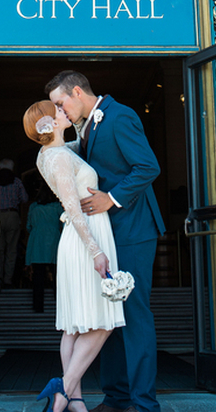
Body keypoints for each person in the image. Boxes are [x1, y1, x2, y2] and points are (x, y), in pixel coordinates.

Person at [46, 71, 164, 412]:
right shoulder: (86, 126)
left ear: (78, 92)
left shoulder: (120, 116)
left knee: (134, 315)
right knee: (108, 315)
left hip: (133, 230)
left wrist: (111, 199)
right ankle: (117, 397)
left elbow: (147, 167)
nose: (61, 111)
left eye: (61, 103)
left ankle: (144, 404)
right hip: (107, 234)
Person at [23, 99, 125, 412]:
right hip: (85, 236)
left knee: (73, 327)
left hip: (80, 235)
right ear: (48, 125)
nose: (64, 111)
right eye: (58, 111)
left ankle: (74, 401)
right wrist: (96, 250)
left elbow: (76, 140)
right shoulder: (57, 157)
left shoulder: (54, 152)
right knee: (104, 319)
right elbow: (71, 206)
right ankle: (64, 390)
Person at [0, 158, 28, 293]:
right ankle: (8, 280)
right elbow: (24, 198)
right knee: (11, 250)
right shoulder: (16, 181)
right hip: (12, 215)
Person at [26, 182, 63, 312]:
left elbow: (28, 226)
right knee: (57, 275)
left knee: (38, 276)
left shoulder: (33, 207)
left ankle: (38, 307)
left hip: (37, 241)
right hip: (54, 240)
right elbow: (64, 224)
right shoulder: (57, 207)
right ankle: (59, 307)